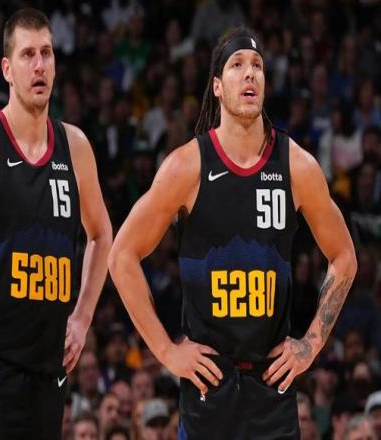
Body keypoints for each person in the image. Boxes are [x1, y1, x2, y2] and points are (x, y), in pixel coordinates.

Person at [108, 27, 357, 439]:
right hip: (209, 388)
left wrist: (310, 344)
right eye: (237, 65)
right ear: (217, 87)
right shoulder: (187, 166)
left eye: (257, 65)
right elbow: (121, 256)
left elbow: (345, 256)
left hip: (272, 388)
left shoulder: (296, 165)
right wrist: (167, 351)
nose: (250, 73)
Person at [0, 8, 112, 440]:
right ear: (6, 69)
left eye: (47, 53)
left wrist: (82, 317)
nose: (39, 65)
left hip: (49, 372)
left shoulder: (75, 147)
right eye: (28, 54)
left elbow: (101, 234)